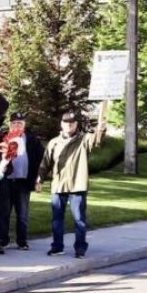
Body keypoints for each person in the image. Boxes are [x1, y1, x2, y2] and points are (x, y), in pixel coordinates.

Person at [37, 110, 104, 258]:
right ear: (62, 124)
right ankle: (57, 247)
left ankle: (80, 248)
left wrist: (101, 129)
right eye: (67, 122)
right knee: (56, 219)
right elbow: (45, 162)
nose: (69, 125)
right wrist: (39, 179)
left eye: (72, 123)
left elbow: (96, 140)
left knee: (79, 219)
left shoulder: (84, 139)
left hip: (77, 185)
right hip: (58, 185)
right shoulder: (54, 142)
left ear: (76, 124)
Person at [0, 111, 44, 250]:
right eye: (14, 123)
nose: (17, 125)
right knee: (4, 212)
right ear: (9, 124)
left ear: (24, 125)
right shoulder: (4, 137)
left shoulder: (32, 139)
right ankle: (3, 240)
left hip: (23, 181)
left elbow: (40, 160)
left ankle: (22, 241)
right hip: (6, 181)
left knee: (22, 214)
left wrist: (38, 179)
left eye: (19, 123)